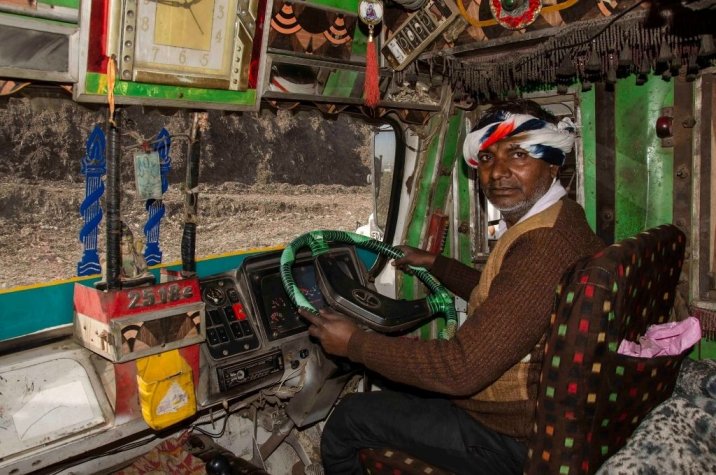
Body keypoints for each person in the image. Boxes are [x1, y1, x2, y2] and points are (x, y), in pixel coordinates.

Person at [299, 99, 604, 474]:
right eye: (488, 158)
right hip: (542, 413)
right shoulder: (562, 219)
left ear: (553, 161)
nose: (498, 172)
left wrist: (354, 343)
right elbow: (515, 298)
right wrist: (437, 264)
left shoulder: (541, 246)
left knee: (348, 419)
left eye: (518, 154)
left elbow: (461, 369)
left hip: (509, 436)